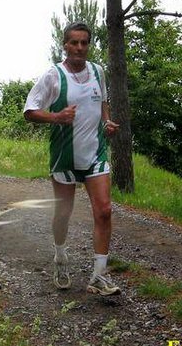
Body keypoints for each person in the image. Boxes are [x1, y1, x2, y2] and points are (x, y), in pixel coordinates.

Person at [24, 22, 121, 296]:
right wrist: (56, 116)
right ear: (65, 45)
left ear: (89, 45)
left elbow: (103, 101)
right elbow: (29, 111)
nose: (79, 48)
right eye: (74, 43)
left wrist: (106, 122)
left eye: (84, 43)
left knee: (104, 210)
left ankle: (98, 276)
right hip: (64, 156)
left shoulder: (98, 71)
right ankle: (60, 257)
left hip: (95, 154)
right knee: (63, 214)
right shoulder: (53, 76)